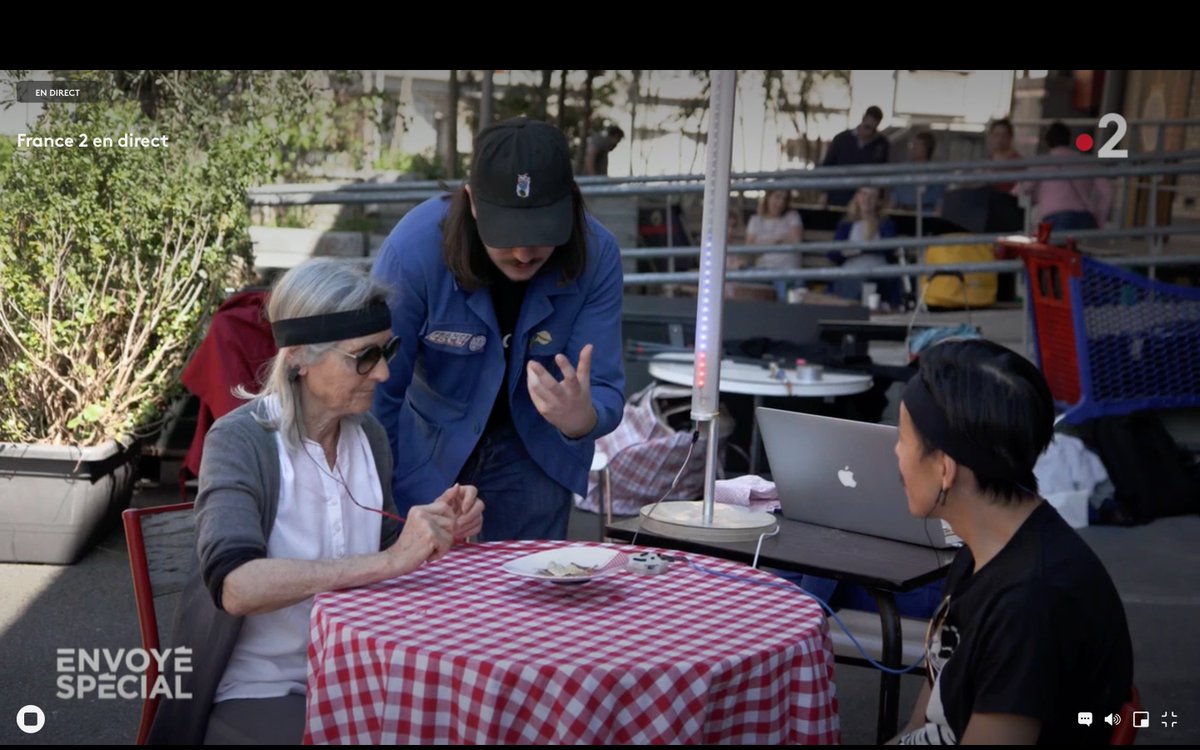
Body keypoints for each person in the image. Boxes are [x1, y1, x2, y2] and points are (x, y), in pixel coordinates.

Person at [149, 259, 484, 745]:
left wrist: (436, 528)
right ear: (300, 357)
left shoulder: (367, 434)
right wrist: (390, 559)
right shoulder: (241, 441)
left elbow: (382, 544)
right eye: (363, 357)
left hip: (357, 672)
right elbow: (237, 586)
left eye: (387, 350)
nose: (386, 372)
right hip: (259, 685)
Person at [372, 117, 625, 542]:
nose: (524, 252)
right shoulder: (411, 251)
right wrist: (397, 495)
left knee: (532, 598)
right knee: (422, 590)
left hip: (537, 453)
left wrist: (582, 420)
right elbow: (378, 389)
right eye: (506, 234)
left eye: (542, 232)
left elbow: (603, 384)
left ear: (570, 204)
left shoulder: (598, 254)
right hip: (429, 443)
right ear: (472, 203)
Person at [892, 339, 1133, 745]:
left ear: (944, 469)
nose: (896, 454)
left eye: (902, 440)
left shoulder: (1030, 606)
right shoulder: (985, 545)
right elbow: (929, 712)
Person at [1015, 121, 1113, 232]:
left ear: (1047, 142)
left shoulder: (1042, 164)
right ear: (1069, 139)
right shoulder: (1086, 162)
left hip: (1055, 219)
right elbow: (1107, 192)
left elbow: (1019, 191)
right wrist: (1099, 219)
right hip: (1086, 218)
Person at [829, 186, 901, 308]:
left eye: (872, 196)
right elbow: (833, 253)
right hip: (851, 272)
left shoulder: (885, 223)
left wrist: (858, 249)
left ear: (879, 201)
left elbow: (889, 249)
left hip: (878, 274)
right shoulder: (846, 223)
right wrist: (846, 252)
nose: (867, 199)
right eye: (864, 194)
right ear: (857, 197)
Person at [822, 105, 890, 206]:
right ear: (863, 119)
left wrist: (880, 197)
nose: (869, 132)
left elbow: (882, 172)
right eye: (867, 127)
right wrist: (825, 193)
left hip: (865, 201)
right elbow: (828, 166)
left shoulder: (882, 144)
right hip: (838, 195)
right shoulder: (841, 139)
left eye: (873, 129)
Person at [746, 188, 804, 300]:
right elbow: (749, 247)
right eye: (777, 197)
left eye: (784, 199)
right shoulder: (756, 220)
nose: (781, 202)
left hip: (787, 271)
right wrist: (779, 238)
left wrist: (762, 242)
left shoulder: (792, 216)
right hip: (762, 270)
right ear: (768, 197)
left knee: (786, 291)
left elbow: (796, 240)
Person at [890, 131, 944, 216]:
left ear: (926, 148)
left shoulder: (935, 172)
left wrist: (937, 222)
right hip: (902, 215)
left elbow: (939, 201)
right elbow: (894, 196)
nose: (912, 148)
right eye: (912, 145)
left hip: (925, 215)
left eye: (917, 145)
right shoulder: (903, 169)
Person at [986, 118, 1022, 193]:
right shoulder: (988, 159)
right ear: (990, 137)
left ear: (1010, 138)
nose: (1000, 139)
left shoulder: (1018, 161)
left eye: (1004, 135)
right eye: (996, 135)